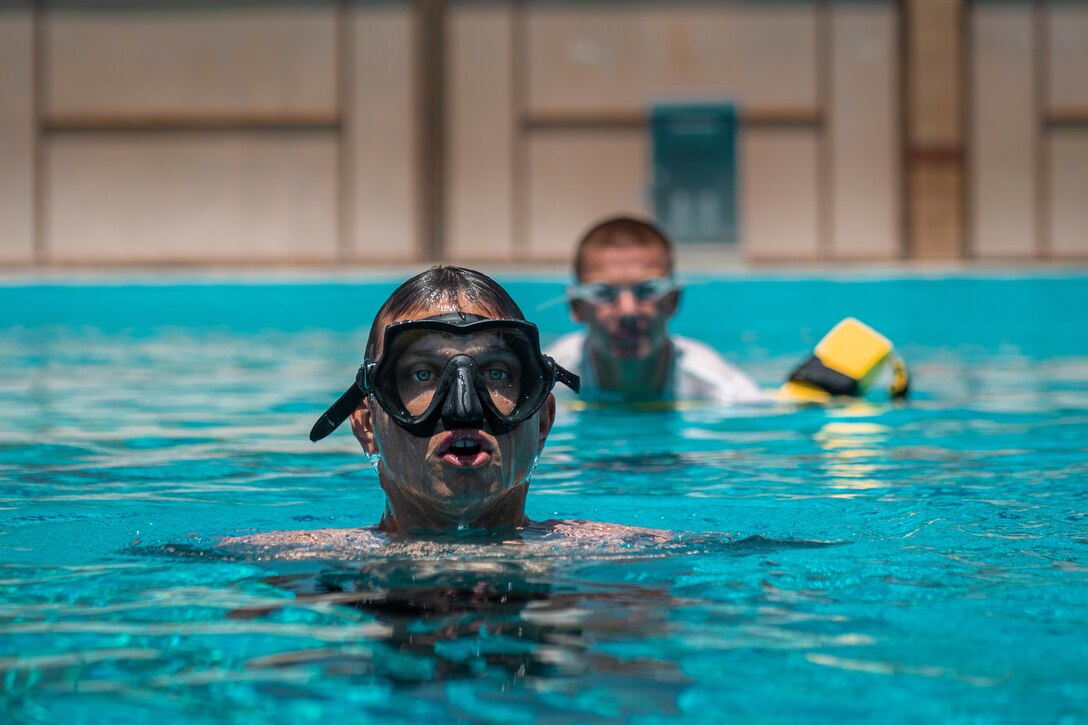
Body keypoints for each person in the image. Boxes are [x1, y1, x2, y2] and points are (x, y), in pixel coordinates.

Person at [222, 266, 673, 554]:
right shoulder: (286, 562)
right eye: (421, 374)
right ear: (366, 427)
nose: (463, 408)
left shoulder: (626, 555)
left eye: (496, 374)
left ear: (543, 421)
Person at [546, 215, 767, 404]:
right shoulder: (544, 384)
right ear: (576, 307)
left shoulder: (721, 389)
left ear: (673, 300)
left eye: (648, 290)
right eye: (603, 292)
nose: (628, 311)